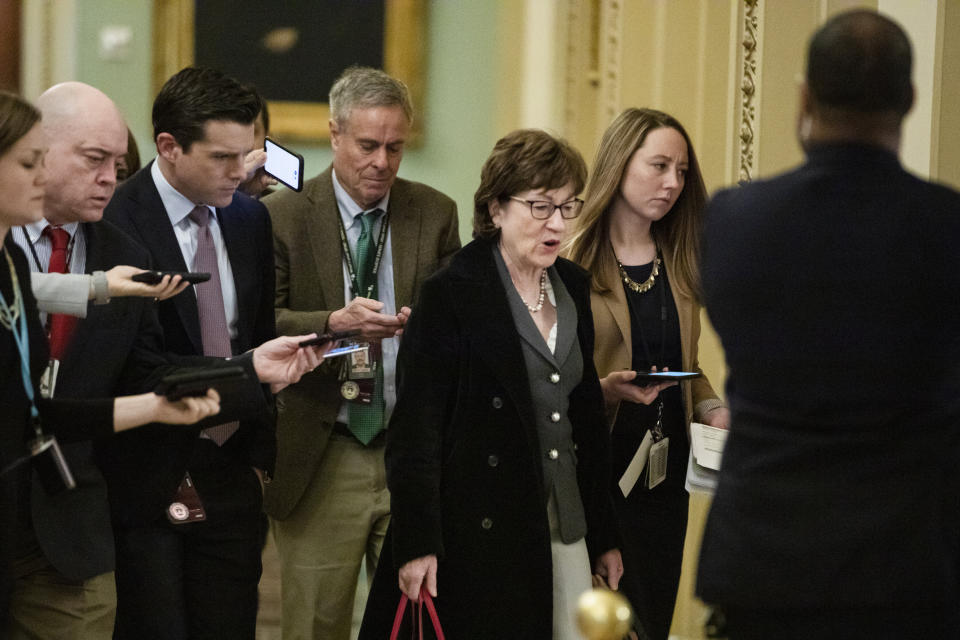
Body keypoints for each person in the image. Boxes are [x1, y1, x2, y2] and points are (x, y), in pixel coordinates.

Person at [695, 10, 960, 638]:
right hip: (907, 567)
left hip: (766, 561)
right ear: (911, 100)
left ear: (805, 97)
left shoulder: (735, 221)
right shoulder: (947, 230)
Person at [358, 129, 623, 639]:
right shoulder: (452, 292)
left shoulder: (572, 285)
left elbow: (584, 420)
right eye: (540, 206)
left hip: (564, 520)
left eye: (569, 207)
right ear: (496, 208)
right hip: (478, 530)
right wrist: (416, 543)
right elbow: (416, 434)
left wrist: (605, 534)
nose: (557, 224)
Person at [0, 90, 221, 632]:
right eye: (28, 162)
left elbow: (39, 413)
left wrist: (157, 405)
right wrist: (101, 287)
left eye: (118, 165)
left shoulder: (21, 267)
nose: (110, 179)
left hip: (63, 523)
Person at [262, 65, 460, 640]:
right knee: (315, 625)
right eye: (368, 146)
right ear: (334, 135)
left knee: (417, 622)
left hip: (411, 452)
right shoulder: (284, 214)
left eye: (395, 147)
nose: (382, 162)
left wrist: (429, 326)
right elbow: (259, 323)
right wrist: (330, 323)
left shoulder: (435, 212)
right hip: (325, 449)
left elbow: (464, 326)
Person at [101, 67, 282, 639]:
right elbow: (133, 366)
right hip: (146, 476)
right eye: (223, 157)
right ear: (169, 148)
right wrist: (247, 372)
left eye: (248, 153)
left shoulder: (250, 218)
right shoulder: (113, 224)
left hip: (232, 472)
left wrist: (257, 467)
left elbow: (254, 331)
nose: (242, 171)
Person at [563, 107, 728, 639]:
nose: (673, 183)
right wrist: (603, 393)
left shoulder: (680, 258)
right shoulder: (571, 257)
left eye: (681, 171)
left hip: (664, 476)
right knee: (601, 622)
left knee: (651, 618)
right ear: (619, 164)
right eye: (659, 166)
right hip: (597, 471)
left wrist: (711, 406)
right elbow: (548, 376)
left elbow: (690, 369)